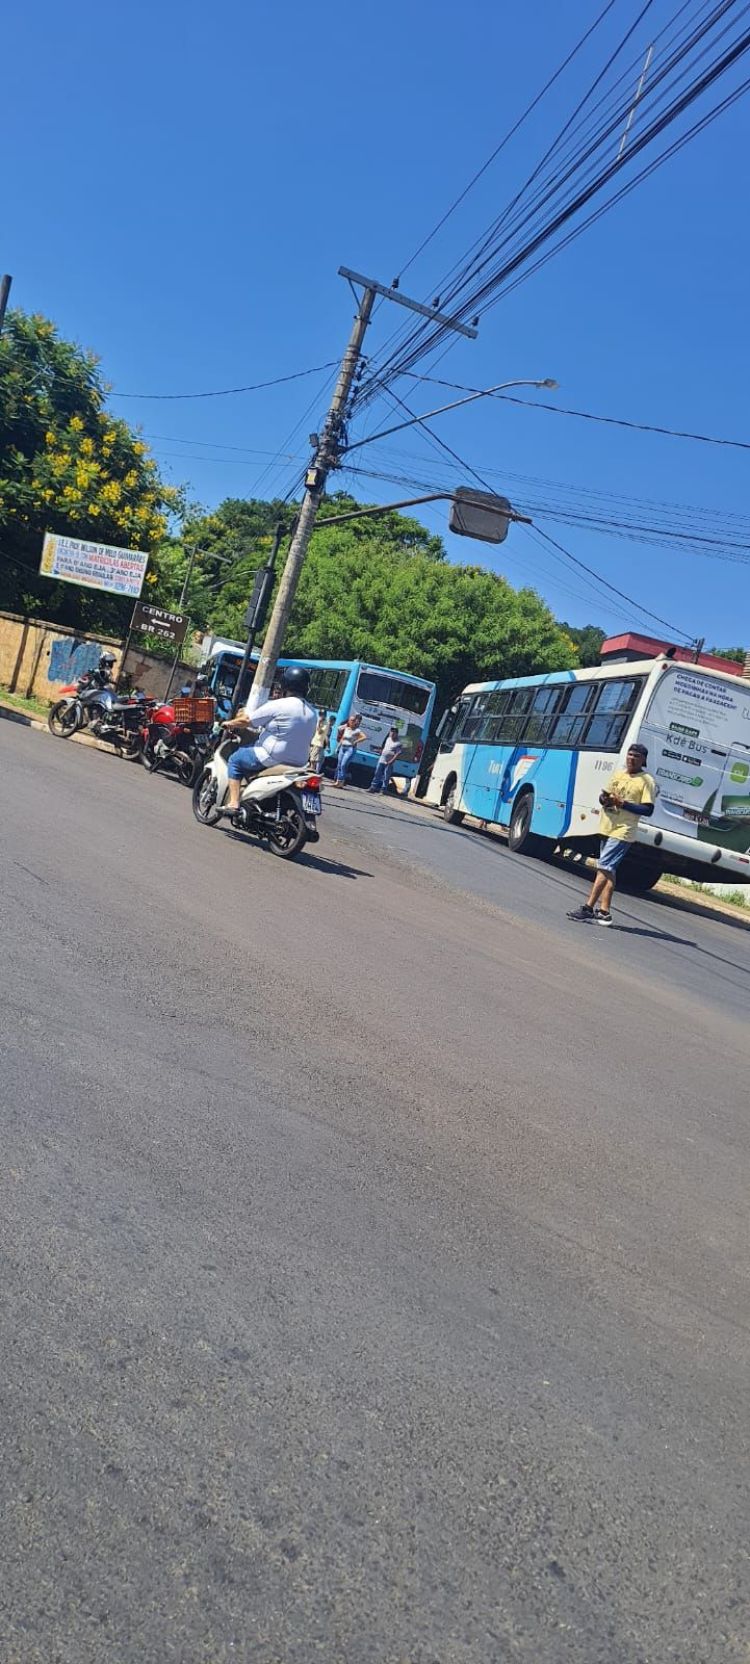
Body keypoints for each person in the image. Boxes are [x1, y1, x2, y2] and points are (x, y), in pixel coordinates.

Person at [568, 742, 657, 927]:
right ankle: (604, 911)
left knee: (604, 866)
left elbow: (648, 809)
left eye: (636, 756)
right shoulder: (619, 774)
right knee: (609, 870)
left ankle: (587, 908)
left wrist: (623, 803)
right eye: (630, 755)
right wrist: (605, 799)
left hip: (623, 830)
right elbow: (604, 796)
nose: (632, 758)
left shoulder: (646, 780)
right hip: (607, 826)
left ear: (643, 760)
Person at [218, 665, 317, 816]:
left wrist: (229, 723)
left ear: (285, 685)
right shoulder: (312, 712)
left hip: (272, 756)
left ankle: (233, 803)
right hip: (299, 762)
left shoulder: (279, 704)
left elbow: (247, 720)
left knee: (235, 760)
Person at [333, 712, 367, 788]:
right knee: (339, 764)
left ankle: (341, 780)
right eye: (350, 720)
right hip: (342, 748)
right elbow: (341, 736)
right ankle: (338, 781)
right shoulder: (346, 728)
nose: (351, 721)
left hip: (350, 749)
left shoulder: (357, 730)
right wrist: (337, 747)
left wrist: (355, 741)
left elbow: (364, 737)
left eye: (353, 720)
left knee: (343, 765)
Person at [369, 726, 403, 795]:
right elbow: (385, 749)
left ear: (396, 734)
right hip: (382, 759)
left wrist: (391, 761)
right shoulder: (388, 739)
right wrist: (379, 751)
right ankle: (373, 787)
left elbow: (397, 754)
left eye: (394, 733)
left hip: (389, 761)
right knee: (377, 773)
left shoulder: (398, 743)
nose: (392, 734)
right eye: (391, 732)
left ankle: (383, 789)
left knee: (386, 776)